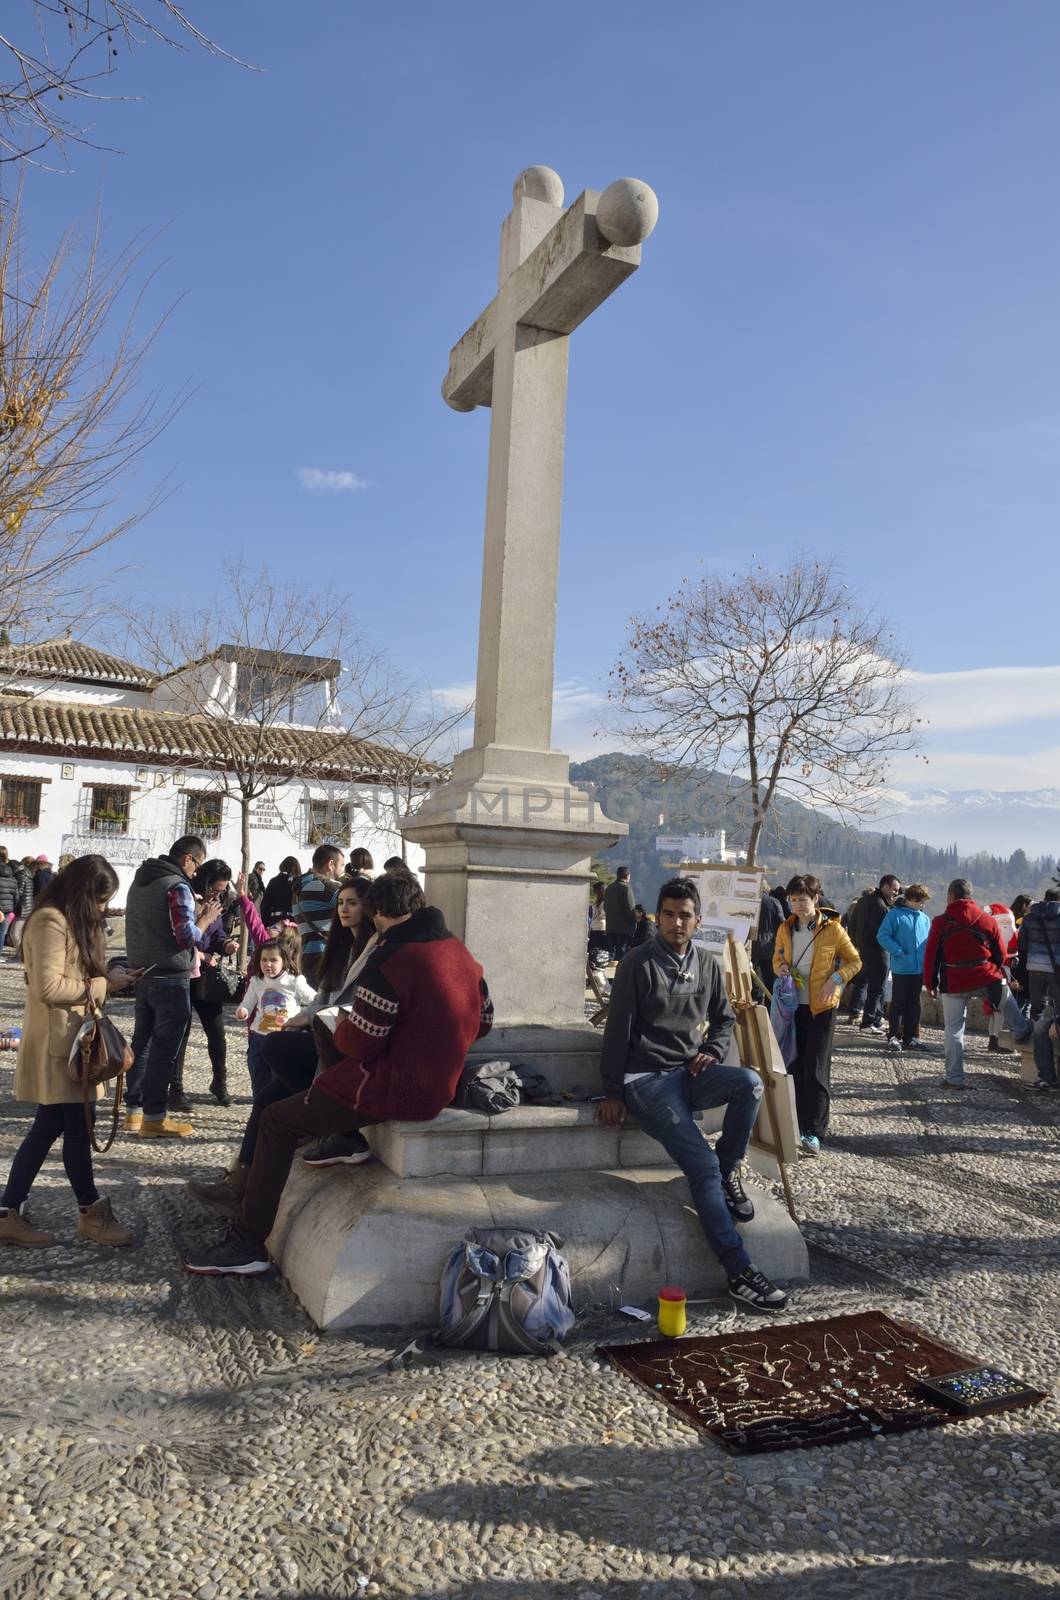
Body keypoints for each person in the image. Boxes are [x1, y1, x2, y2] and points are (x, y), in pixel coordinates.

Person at [184, 870, 493, 1276]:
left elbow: (362, 1043)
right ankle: (252, 1186)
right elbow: (484, 1021)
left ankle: (248, 1244)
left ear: (379, 913)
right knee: (276, 1094)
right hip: (440, 1080)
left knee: (278, 1120)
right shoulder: (460, 953)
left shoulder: (392, 959)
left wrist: (337, 1026)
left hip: (390, 1086)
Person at [596, 876, 788, 1313]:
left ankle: (727, 1173)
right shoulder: (637, 964)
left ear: (698, 921)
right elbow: (616, 1032)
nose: (676, 922)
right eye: (668, 914)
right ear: (657, 917)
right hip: (645, 1081)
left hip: (689, 1073)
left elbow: (723, 1021)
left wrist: (712, 1050)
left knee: (750, 1084)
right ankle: (739, 1272)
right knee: (698, 1163)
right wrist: (612, 1092)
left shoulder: (706, 964)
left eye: (685, 915)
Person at [186, 876, 377, 1209]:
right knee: (267, 1101)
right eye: (342, 903)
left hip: (343, 1047)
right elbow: (324, 997)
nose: (345, 909)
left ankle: (322, 1119)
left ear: (369, 907)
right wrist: (305, 1018)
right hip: (323, 1035)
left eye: (353, 903)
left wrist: (309, 1017)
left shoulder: (372, 948)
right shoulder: (340, 944)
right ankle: (240, 1183)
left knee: (276, 1049)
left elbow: (355, 1005)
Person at [0, 855, 137, 1248]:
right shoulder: (49, 922)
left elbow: (75, 975)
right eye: (99, 900)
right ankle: (89, 1213)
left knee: (55, 1127)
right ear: (81, 893)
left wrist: (113, 976)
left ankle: (10, 1210)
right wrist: (103, 985)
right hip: (60, 1045)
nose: (102, 908)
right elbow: (48, 988)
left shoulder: (70, 921)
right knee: (76, 1126)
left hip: (74, 1042)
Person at [123, 835, 219, 1138]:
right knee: (164, 1050)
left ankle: (134, 1113)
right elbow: (186, 935)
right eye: (197, 865)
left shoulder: (140, 881)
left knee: (142, 1044)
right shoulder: (176, 886)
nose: (196, 873)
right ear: (187, 858)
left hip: (143, 972)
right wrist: (206, 919)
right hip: (171, 977)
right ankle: (155, 1117)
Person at [774, 874, 862, 1157]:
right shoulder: (785, 929)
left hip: (822, 1007)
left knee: (816, 1068)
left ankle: (814, 1131)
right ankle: (797, 1124)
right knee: (795, 1065)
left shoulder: (833, 929)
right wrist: (782, 969)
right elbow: (778, 958)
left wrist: (834, 980)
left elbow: (855, 961)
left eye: (803, 899)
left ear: (815, 899)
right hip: (792, 1006)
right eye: (794, 899)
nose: (798, 905)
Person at [923, 879, 1008, 1090]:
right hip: (984, 977)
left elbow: (931, 956)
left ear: (951, 896)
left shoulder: (941, 922)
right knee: (1009, 1001)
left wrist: (930, 982)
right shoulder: (987, 920)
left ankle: (954, 1078)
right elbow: (1002, 954)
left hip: (953, 981)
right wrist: (992, 970)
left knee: (953, 1030)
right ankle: (1023, 1029)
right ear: (970, 896)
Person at [169, 859, 239, 1111]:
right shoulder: (186, 898)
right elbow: (181, 937)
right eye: (214, 890)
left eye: (221, 891)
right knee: (182, 1033)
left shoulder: (215, 904)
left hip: (206, 978)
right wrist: (199, 953)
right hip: (184, 973)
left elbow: (217, 934)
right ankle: (175, 1089)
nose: (217, 895)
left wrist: (226, 944)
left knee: (217, 1033)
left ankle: (219, 1082)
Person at [236, 939, 317, 1094]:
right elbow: (248, 1002)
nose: (268, 964)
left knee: (279, 1083)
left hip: (283, 1038)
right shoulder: (257, 981)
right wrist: (243, 1011)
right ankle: (259, 1113)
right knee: (258, 1080)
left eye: (273, 960)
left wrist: (302, 1020)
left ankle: (278, 1114)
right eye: (264, 960)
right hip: (258, 1038)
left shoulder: (294, 981)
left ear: (284, 961)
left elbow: (315, 999)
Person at [876, 884, 932, 1054]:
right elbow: (882, 935)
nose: (923, 905)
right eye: (921, 901)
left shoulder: (924, 918)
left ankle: (911, 1037)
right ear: (912, 899)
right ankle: (893, 1036)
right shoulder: (894, 915)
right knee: (898, 1003)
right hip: (901, 968)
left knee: (915, 1004)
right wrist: (898, 951)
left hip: (918, 968)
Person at [844, 874, 902, 1033]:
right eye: (895, 890)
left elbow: (853, 924)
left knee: (863, 983)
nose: (896, 893)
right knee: (877, 987)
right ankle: (870, 1021)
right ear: (886, 886)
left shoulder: (863, 901)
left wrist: (856, 944)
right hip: (878, 952)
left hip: (863, 949)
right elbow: (881, 933)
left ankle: (870, 1018)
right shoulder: (881, 906)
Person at [295, 844, 345, 985]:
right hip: (326, 954)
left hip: (306, 955)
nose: (342, 870)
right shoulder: (326, 887)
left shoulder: (299, 887)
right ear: (331, 864)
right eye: (341, 865)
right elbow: (360, 905)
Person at [1017, 889, 1060, 1029]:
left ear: (1044, 899)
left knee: (1036, 1008)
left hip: (1034, 967)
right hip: (1056, 968)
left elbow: (1022, 944)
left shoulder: (1029, 918)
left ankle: (1038, 1039)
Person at [751, 887, 785, 998]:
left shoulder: (747, 901)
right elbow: (782, 925)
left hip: (749, 949)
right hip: (768, 949)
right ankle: (770, 1010)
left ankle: (754, 1008)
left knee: (752, 984)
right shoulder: (773, 902)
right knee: (770, 984)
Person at [603, 867, 637, 962]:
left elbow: (605, 907)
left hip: (610, 927)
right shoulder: (626, 888)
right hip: (623, 929)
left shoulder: (609, 888)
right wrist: (634, 924)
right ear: (627, 876)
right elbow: (630, 909)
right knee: (621, 957)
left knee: (611, 957)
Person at [259, 857, 301, 925]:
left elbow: (265, 905)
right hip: (295, 924)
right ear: (295, 868)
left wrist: (266, 924)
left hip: (275, 922)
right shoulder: (300, 882)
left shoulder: (274, 881)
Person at [588, 883, 608, 955]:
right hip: (598, 928)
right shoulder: (599, 902)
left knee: (596, 951)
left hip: (599, 928)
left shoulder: (604, 902)